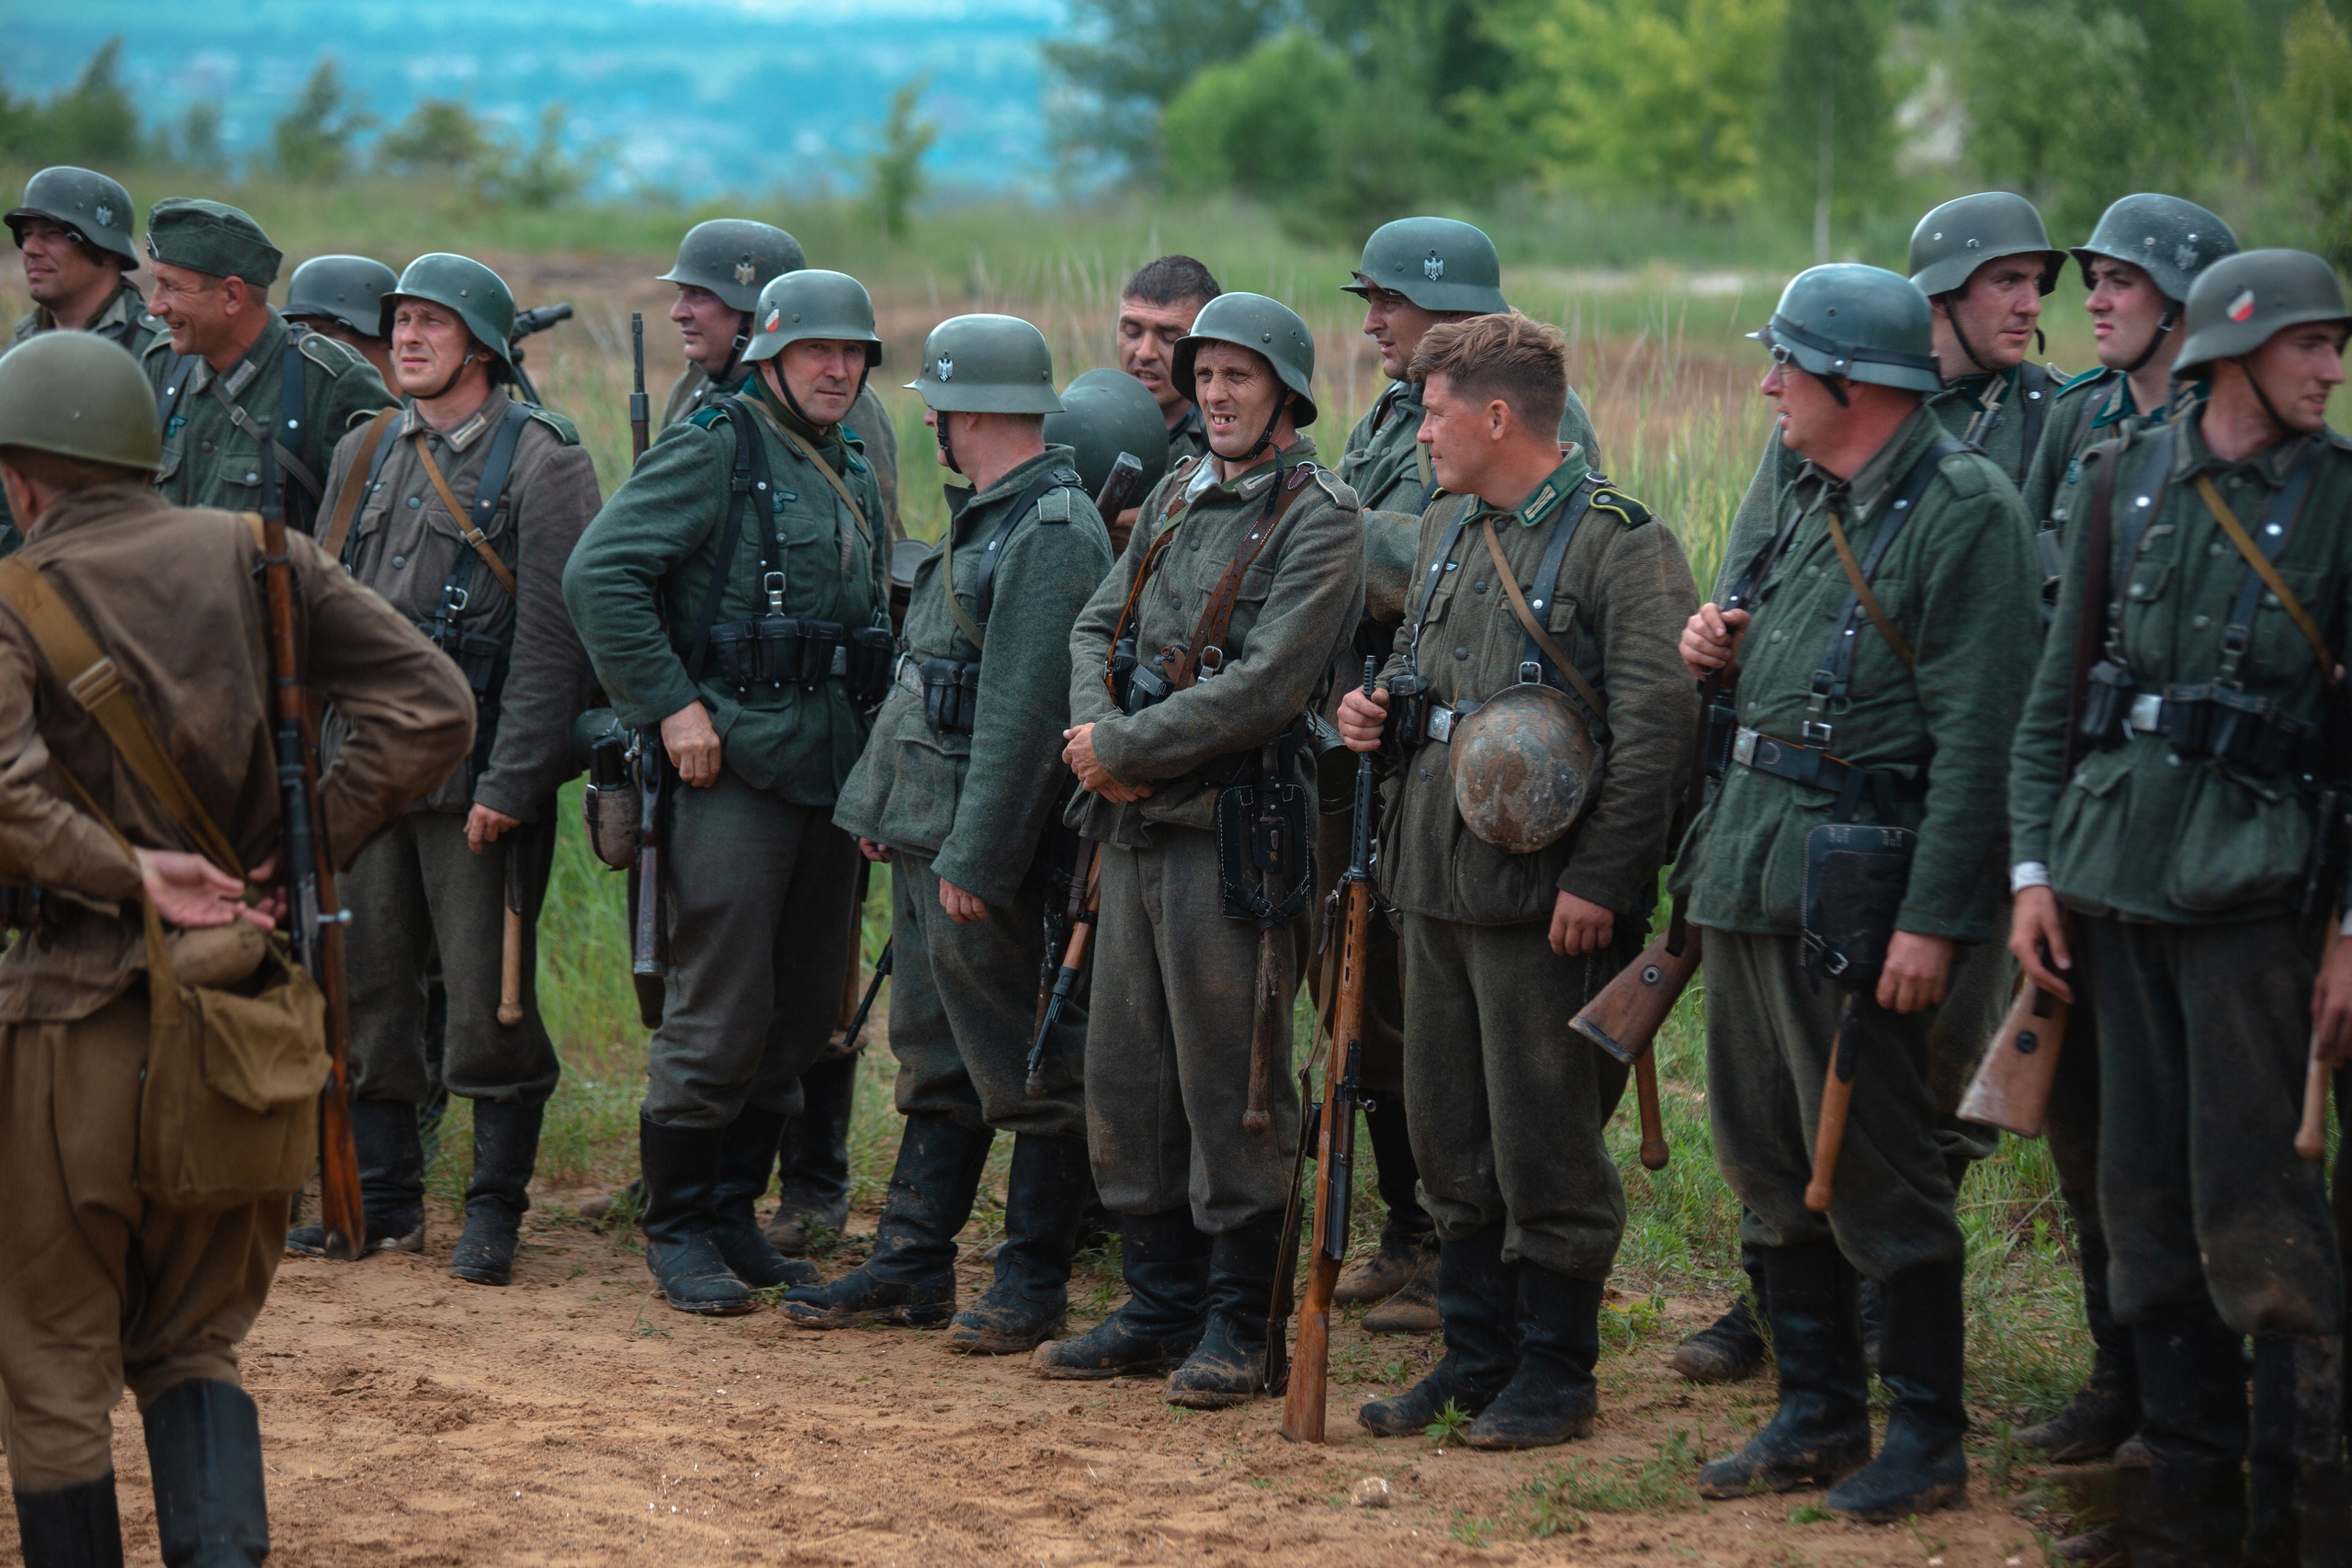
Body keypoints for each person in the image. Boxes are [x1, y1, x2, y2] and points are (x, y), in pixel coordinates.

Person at [0, 331, 472, 1568]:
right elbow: (434, 705)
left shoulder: (14, 598)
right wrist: (304, 859)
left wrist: (128, 871)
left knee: (53, 1362)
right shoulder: (262, 553)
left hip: (76, 1023)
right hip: (248, 1029)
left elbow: (7, 795)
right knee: (196, 1339)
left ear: (24, 476)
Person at [1672, 192, 2065, 1387]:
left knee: (1884, 1166)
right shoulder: (1807, 500)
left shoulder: (1967, 509)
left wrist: (1934, 919)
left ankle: (1925, 1428)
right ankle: (1818, 1410)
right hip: (1757, 863)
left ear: (1852, 382)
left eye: (1787, 365)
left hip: (1861, 880)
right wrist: (1721, 647)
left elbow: (1978, 741)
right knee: (1765, 1150)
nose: (1765, 387)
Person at [2008, 248, 2352, 1564]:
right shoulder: (2117, 479)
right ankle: (2182, 1510)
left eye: (2335, 347)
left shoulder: (2338, 504)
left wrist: (2346, 937)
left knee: (2258, 1216)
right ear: (2235, 350)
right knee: (2138, 1202)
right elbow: (2056, 697)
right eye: (2311, 344)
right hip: (2108, 892)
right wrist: (2034, 872)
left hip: (2256, 906)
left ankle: (2297, 1519)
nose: (2330, 369)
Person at [1333, 311, 1697, 1448]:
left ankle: (1555, 1371)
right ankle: (1473, 1352)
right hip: (1434, 883)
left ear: (1497, 416)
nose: (1421, 429)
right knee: (1450, 1137)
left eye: (1435, 412)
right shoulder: (1446, 524)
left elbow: (1657, 730)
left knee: (1544, 1143)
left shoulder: (1617, 543)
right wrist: (1371, 710)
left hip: (1549, 907)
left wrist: (1601, 880)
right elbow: (1420, 673)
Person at [1034, 292, 1363, 1407]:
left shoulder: (1320, 517)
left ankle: (1241, 1323)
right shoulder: (1178, 489)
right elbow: (1095, 625)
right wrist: (1097, 745)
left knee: (1237, 1081)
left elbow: (1269, 686)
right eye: (1204, 376)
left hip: (1235, 837)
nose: (1215, 396)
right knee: (1126, 1070)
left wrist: (1124, 745)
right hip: (1128, 824)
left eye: (1238, 378)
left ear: (1283, 395)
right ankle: (1156, 1301)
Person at [565, 267, 890, 1317]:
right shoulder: (718, 444)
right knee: (717, 1010)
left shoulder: (849, 465)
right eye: (816, 353)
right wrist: (669, 707)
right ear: (771, 358)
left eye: (853, 355)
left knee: (798, 1017)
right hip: (733, 770)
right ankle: (676, 1228)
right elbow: (599, 572)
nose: (837, 369)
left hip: (828, 777)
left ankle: (736, 1212)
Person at [788, 314, 1113, 1351]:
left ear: (966, 408)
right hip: (928, 833)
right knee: (932, 1053)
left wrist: (979, 856)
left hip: (981, 854)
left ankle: (1029, 1283)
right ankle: (916, 1260)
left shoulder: (1051, 530)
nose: (923, 415)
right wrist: (884, 814)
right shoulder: (991, 513)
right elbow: (927, 681)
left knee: (1025, 1065)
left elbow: (1023, 719)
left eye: (934, 400)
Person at [286, 254, 603, 1287]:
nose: (409, 339)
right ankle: (381, 1203)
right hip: (364, 770)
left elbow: (556, 648)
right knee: (366, 987)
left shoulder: (545, 461)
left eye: (431, 322)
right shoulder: (367, 444)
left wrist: (515, 785)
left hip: (476, 779)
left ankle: (493, 1212)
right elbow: (324, 603)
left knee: (488, 1002)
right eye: (401, 323)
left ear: (482, 344)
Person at [1324, 215, 1607, 1337]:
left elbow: (1500, 571)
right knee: (1401, 1030)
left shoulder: (1536, 428)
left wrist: (1320, 539)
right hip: (1408, 767)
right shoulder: (1394, 410)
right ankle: (1429, 1235)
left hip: (1496, 787)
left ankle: (1492, 1285)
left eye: (1389, 299)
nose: (1372, 320)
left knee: (1502, 1056)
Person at [2002, 195, 2238, 1484]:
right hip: (2080, 810)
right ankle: (2122, 1372)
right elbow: (2038, 609)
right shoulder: (2077, 421)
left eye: (2121, 279)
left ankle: (2204, 1399)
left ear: (2187, 298)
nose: (2094, 296)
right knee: (2085, 1122)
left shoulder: (2239, 445)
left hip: (2194, 838)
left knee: (2190, 1139)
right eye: (2088, 277)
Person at [139, 199, 394, 537]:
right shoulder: (161, 366)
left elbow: (376, 533)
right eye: (157, 284)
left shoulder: (330, 381)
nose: (155, 307)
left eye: (172, 287)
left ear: (232, 295)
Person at [658, 217, 900, 541]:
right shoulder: (694, 387)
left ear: (752, 312)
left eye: (699, 295)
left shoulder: (834, 397)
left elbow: (872, 533)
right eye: (681, 293)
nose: (678, 311)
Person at [3, 165, 157, 556]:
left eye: (52, 234)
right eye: (26, 235)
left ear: (104, 248)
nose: (31, 249)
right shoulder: (14, 359)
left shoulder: (160, 356)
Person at [1116, 254, 1221, 469]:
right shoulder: (1087, 422)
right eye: (1132, 332)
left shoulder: (1229, 443)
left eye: (1169, 338)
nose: (1145, 353)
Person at [281, 254, 400, 384]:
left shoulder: (422, 401)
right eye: (298, 334)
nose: (306, 349)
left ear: (384, 335)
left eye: (325, 334)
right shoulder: (289, 399)